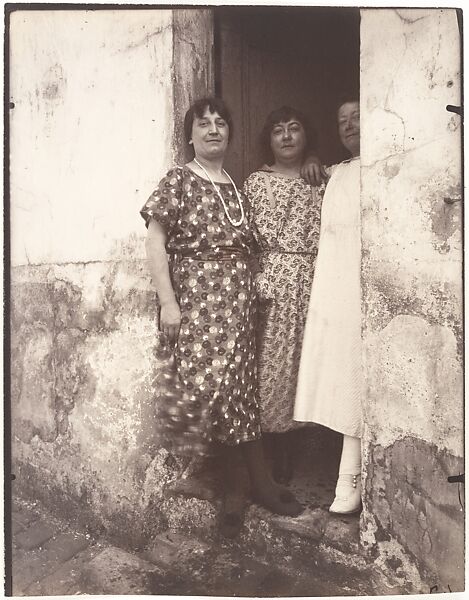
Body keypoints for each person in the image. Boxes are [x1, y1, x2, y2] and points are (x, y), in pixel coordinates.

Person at [140, 97, 303, 539]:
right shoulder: (177, 180)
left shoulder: (234, 185)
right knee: (207, 389)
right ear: (190, 135)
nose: (213, 130)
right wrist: (168, 302)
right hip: (199, 305)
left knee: (239, 392)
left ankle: (240, 488)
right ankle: (242, 482)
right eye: (203, 123)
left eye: (220, 123)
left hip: (240, 304)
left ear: (229, 133)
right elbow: (156, 243)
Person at [243, 107, 324, 484]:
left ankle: (303, 448)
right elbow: (244, 237)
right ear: (269, 140)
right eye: (278, 131)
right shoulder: (257, 182)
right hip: (271, 283)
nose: (287, 136)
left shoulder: (321, 178)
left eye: (295, 129)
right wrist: (256, 277)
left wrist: (315, 163)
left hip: (315, 282)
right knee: (269, 367)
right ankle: (271, 453)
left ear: (306, 136)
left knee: (307, 366)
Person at [294, 97, 363, 515]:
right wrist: (315, 159)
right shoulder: (338, 172)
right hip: (336, 287)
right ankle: (345, 475)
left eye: (358, 117)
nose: (350, 125)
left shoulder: (386, 166)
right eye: (343, 120)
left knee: (358, 374)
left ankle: (350, 478)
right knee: (339, 375)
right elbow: (321, 172)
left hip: (365, 287)